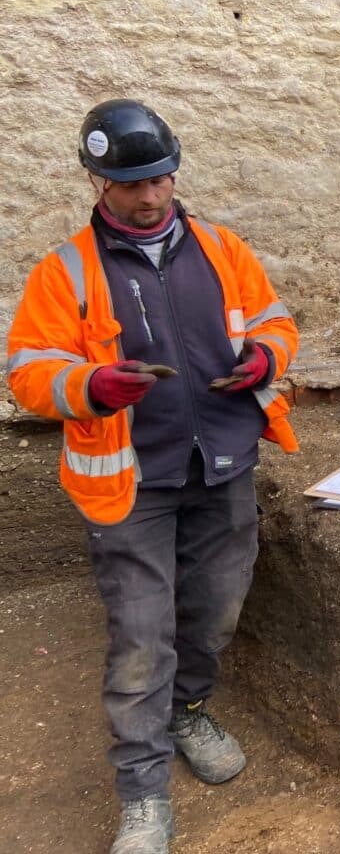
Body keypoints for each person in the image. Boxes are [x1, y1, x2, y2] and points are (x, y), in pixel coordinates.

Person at [6, 100, 300, 854]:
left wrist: (266, 357)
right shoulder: (65, 270)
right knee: (141, 635)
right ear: (97, 182)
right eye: (129, 185)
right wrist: (91, 386)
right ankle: (142, 792)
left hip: (224, 462)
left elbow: (273, 319)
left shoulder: (221, 248)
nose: (149, 197)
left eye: (159, 179)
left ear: (174, 169)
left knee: (215, 609)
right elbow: (29, 371)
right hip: (129, 482)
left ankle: (188, 711)